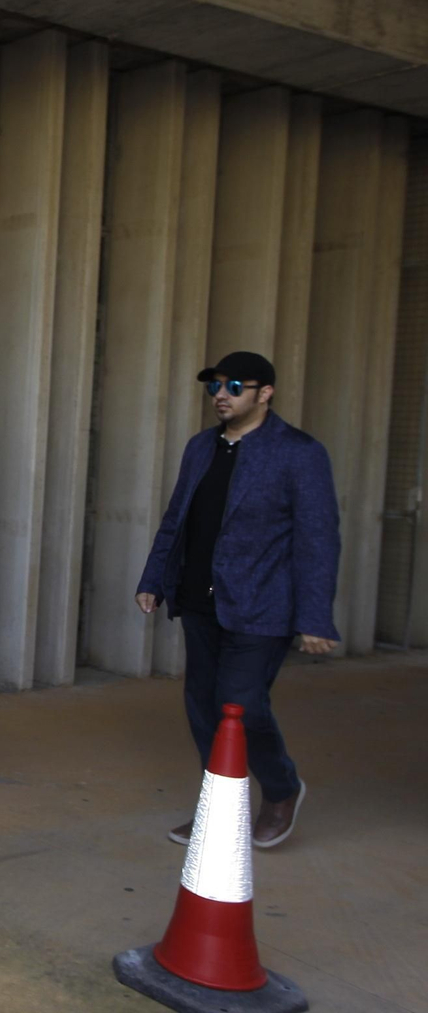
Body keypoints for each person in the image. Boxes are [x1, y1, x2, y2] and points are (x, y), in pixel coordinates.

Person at [136, 351, 338, 849]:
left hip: (263, 605)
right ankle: (220, 811)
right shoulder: (200, 448)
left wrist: (315, 617)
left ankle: (282, 788)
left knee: (241, 706)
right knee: (203, 709)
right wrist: (154, 578)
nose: (221, 396)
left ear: (264, 393)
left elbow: (318, 539)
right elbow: (176, 520)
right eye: (214, 387)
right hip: (200, 601)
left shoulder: (298, 452)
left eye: (233, 387)